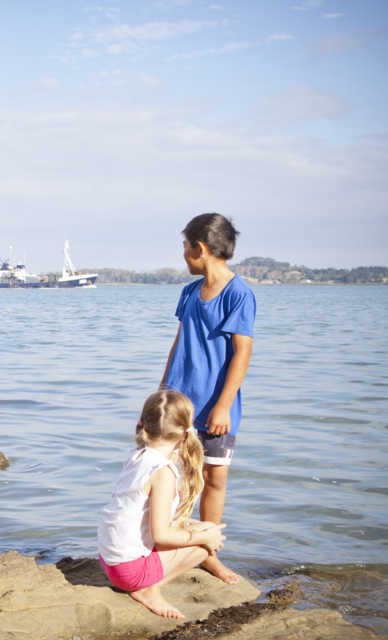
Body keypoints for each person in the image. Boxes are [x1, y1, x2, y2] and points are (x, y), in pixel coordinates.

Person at [160, 213, 255, 586]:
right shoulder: (188, 292)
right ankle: (176, 545)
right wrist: (161, 394)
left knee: (213, 479)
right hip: (178, 404)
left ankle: (207, 553)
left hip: (217, 409)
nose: (183, 254)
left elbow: (243, 352)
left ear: (200, 248)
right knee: (177, 478)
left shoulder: (238, 293)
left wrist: (223, 405)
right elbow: (178, 344)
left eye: (185, 247)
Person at [98, 390, 227, 619]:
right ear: (185, 432)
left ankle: (150, 582)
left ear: (145, 424)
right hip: (129, 572)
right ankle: (150, 590)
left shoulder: (139, 456)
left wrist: (200, 530)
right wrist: (204, 538)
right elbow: (161, 535)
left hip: (110, 561)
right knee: (204, 544)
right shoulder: (162, 473)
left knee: (205, 526)